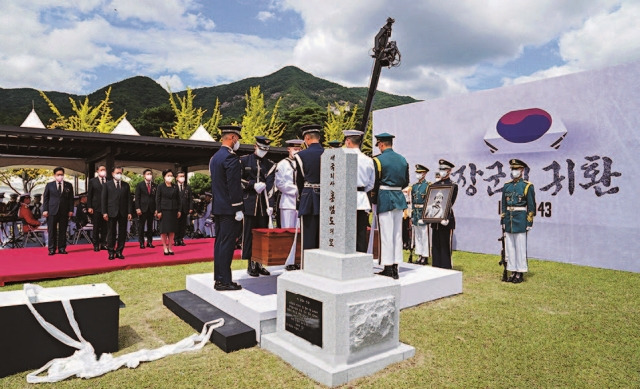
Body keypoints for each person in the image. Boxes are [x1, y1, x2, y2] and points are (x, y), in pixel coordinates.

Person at [209, 125, 244, 291]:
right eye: (237, 139)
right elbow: (234, 185)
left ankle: (220, 278)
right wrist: (238, 207)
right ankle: (224, 281)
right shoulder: (231, 158)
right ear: (233, 138)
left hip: (218, 207)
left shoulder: (215, 157)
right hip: (230, 209)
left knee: (220, 244)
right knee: (227, 244)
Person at [371, 133, 409, 279]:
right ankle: (396, 265)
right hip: (399, 198)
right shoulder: (402, 159)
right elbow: (405, 182)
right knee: (397, 233)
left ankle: (388, 267)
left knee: (386, 233)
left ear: (381, 144)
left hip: (385, 198)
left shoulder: (378, 160)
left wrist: (374, 198)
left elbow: (374, 182)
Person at [241, 136, 276, 277]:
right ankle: (250, 263)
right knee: (249, 234)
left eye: (266, 149)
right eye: (262, 149)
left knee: (263, 236)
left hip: (263, 204)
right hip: (249, 203)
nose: (264, 152)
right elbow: (237, 180)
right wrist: (251, 185)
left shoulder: (270, 164)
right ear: (255, 146)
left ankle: (260, 263)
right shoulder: (244, 160)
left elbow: (271, 186)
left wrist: (271, 205)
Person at [501, 159, 536, 283]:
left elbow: (531, 206)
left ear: (522, 170)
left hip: (520, 218)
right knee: (510, 246)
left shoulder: (527, 186)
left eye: (516, 169)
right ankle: (512, 270)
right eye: (512, 169)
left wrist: (529, 222)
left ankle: (520, 272)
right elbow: (503, 205)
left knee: (520, 247)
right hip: (509, 219)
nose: (514, 171)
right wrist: (503, 220)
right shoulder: (507, 186)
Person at [343, 129, 375, 253]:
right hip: (361, 198)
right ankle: (361, 257)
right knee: (361, 231)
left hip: (347, 196)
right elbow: (371, 184)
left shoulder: (344, 158)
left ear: (348, 141)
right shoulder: (368, 160)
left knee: (346, 232)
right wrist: (361, 190)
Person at [294, 124, 324, 254]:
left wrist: (299, 200)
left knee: (308, 235)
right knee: (324, 235)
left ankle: (307, 265)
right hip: (327, 197)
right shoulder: (329, 153)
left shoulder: (301, 155)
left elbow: (299, 181)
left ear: (306, 138)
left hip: (309, 196)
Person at [430, 159, 458, 269]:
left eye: (444, 169)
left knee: (445, 244)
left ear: (449, 171)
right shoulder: (434, 185)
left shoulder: (452, 185)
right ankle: (436, 265)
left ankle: (446, 267)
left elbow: (450, 202)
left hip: (445, 219)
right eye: (440, 169)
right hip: (435, 219)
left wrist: (445, 216)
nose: (441, 171)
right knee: (435, 244)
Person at [101, 166, 132, 260]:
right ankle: (111, 251)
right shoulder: (107, 185)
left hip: (123, 212)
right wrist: (104, 212)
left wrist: (130, 212)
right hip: (111, 211)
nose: (119, 174)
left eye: (120, 173)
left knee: (122, 233)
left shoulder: (126, 185)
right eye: (117, 173)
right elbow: (103, 199)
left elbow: (129, 200)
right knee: (111, 232)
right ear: (112, 173)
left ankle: (119, 251)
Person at [42, 167, 74, 255]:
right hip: (52, 210)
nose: (60, 176)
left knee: (63, 230)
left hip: (64, 210)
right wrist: (45, 210)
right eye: (58, 175)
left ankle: (62, 248)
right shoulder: (49, 185)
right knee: (52, 230)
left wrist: (71, 209)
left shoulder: (69, 185)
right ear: (54, 175)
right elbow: (46, 198)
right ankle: (52, 248)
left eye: (61, 174)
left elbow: (71, 199)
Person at [275, 139, 304, 230]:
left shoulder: (303, 163)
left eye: (299, 149)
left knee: (300, 231)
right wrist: (296, 189)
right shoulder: (282, 164)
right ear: (289, 149)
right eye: (295, 149)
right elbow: (279, 183)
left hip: (301, 202)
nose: (297, 151)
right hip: (287, 202)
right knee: (287, 230)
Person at [156, 169, 182, 255]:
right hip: (164, 210)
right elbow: (158, 199)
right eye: (168, 175)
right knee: (164, 230)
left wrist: (179, 210)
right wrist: (159, 211)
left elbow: (178, 199)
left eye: (171, 176)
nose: (170, 177)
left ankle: (170, 247)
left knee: (172, 230)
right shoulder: (160, 186)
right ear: (164, 177)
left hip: (173, 210)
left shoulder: (175, 187)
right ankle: (164, 247)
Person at [411, 164, 430, 265]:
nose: (418, 174)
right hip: (415, 213)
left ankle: (425, 256)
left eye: (420, 173)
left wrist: (425, 216)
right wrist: (412, 215)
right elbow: (413, 201)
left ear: (424, 174)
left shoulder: (427, 186)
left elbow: (428, 202)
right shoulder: (414, 186)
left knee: (424, 235)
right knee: (417, 235)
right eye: (417, 173)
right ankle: (419, 254)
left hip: (423, 213)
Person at [87, 165, 109, 252]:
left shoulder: (108, 181)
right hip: (96, 207)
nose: (103, 171)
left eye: (104, 169)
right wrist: (89, 206)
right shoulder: (93, 181)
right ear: (97, 171)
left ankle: (103, 243)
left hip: (106, 208)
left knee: (105, 227)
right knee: (96, 227)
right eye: (101, 170)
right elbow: (90, 195)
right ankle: (96, 244)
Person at [135, 169, 157, 249]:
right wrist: (137, 208)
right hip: (142, 208)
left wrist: (156, 209)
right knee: (141, 226)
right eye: (148, 174)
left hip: (151, 208)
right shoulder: (140, 185)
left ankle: (149, 242)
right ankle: (141, 242)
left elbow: (156, 198)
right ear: (144, 175)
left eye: (150, 174)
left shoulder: (154, 185)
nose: (149, 175)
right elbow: (137, 197)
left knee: (150, 226)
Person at [175, 171, 194, 246]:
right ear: (176, 178)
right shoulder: (174, 186)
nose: (182, 177)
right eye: (180, 176)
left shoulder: (187, 187)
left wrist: (191, 207)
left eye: (183, 176)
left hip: (185, 208)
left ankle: (181, 239)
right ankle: (176, 239)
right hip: (176, 209)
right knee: (176, 224)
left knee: (183, 225)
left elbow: (190, 199)